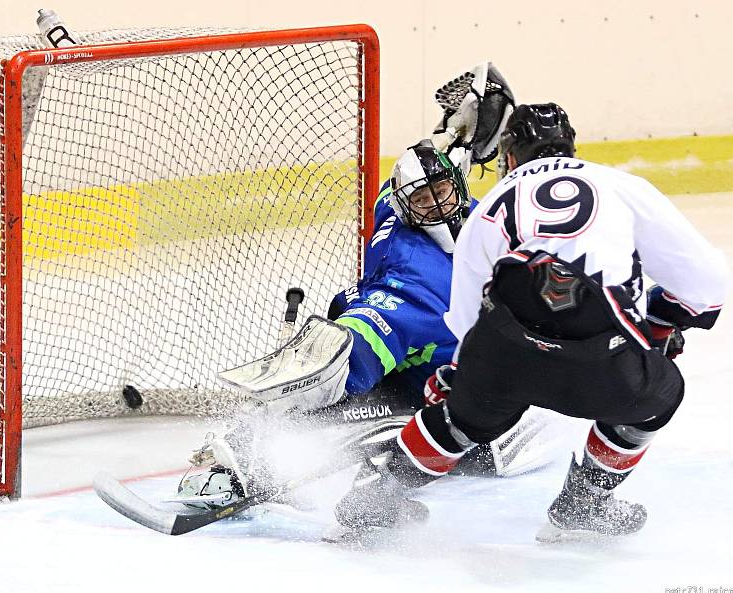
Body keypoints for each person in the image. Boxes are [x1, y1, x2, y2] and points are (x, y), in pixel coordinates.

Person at [334, 102, 729, 540]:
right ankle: (584, 504)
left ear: (509, 158)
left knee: (462, 421)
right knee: (658, 396)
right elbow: (707, 287)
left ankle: (377, 498)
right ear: (572, 147)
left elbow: (466, 323)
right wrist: (656, 324)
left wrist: (459, 383)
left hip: (507, 356)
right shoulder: (620, 186)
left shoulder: (487, 211)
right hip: (601, 361)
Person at [174, 67, 555, 511]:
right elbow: (444, 172)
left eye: (444, 193)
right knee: (347, 375)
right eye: (424, 200)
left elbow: (365, 338)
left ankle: (257, 453)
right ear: (404, 205)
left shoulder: (417, 246)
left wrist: (450, 135)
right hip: (444, 369)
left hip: (456, 375)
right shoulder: (416, 248)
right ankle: (254, 453)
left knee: (355, 392)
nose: (438, 205)